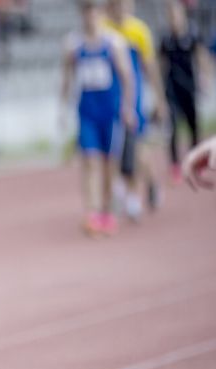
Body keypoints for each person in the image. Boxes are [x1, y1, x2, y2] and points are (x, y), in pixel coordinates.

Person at [61, 0, 135, 237]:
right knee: (90, 161)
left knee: (108, 166)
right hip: (87, 114)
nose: (90, 16)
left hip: (110, 114)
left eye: (94, 10)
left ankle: (106, 211)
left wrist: (128, 107)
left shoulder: (114, 43)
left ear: (101, 13)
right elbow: (67, 79)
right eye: (86, 11)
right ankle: (91, 213)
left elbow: (127, 78)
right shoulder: (73, 45)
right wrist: (62, 110)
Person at [103, 0, 169, 218]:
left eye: (125, 4)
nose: (122, 8)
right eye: (117, 4)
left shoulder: (139, 31)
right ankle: (122, 190)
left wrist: (160, 100)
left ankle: (148, 184)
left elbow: (150, 68)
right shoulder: (104, 29)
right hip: (109, 99)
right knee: (114, 151)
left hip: (134, 99)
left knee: (137, 149)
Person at [159, 0, 210, 184]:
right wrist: (159, 96)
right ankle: (174, 166)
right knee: (172, 128)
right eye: (170, 16)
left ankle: (196, 162)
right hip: (171, 90)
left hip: (189, 88)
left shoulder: (192, 33)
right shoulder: (165, 39)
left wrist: (206, 77)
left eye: (176, 15)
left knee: (193, 126)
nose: (174, 19)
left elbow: (202, 56)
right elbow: (160, 66)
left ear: (182, 16)